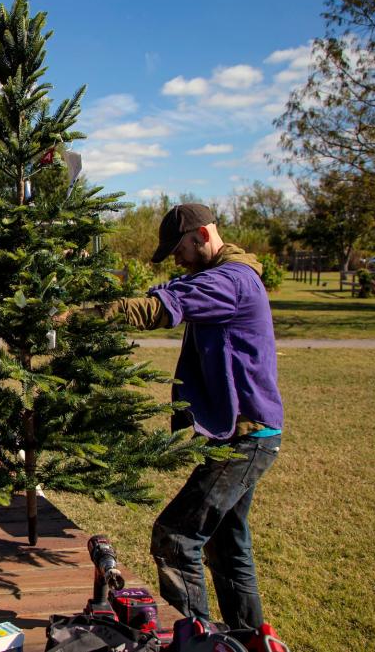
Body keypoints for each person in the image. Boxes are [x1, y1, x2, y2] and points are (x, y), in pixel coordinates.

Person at [61, 203, 283, 629]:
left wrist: (76, 319)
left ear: (201, 235)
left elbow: (159, 309)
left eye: (178, 248)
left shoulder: (228, 281)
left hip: (246, 437)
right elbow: (166, 291)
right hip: (245, 433)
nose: (176, 259)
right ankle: (246, 638)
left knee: (175, 538)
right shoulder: (226, 273)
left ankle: (194, 640)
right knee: (226, 545)